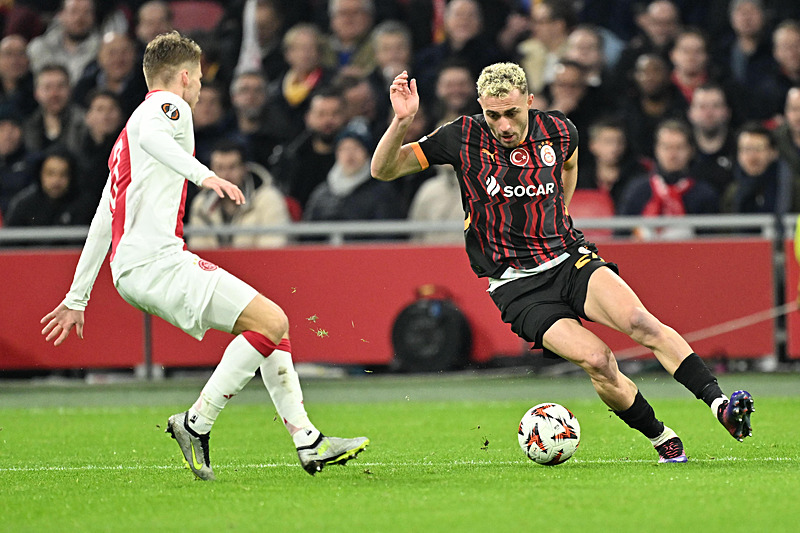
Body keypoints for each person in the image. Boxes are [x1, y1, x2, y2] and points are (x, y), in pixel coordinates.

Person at [371, 63, 754, 463]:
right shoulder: (461, 136)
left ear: (529, 101)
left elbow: (568, 165)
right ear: (481, 107)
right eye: (493, 115)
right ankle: (661, 438)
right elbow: (383, 170)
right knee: (598, 361)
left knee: (641, 322)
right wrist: (402, 121)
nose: (504, 125)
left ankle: (720, 406)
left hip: (569, 259)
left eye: (512, 113)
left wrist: (560, 216)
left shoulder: (559, 130)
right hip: (517, 286)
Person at [39, 31, 368, 480]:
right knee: (272, 321)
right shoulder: (165, 107)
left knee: (270, 325)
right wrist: (203, 175)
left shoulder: (126, 136)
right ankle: (196, 422)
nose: (199, 87)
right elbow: (156, 139)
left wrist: (78, 296)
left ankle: (308, 441)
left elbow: (103, 217)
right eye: (197, 78)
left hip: (134, 267)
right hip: (156, 260)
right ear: (184, 76)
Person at [188, 140, 290, 249]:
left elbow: (273, 249)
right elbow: (197, 249)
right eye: (220, 168)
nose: (226, 175)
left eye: (232, 167)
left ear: (244, 168)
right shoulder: (201, 203)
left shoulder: (268, 199)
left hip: (255, 260)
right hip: (212, 261)